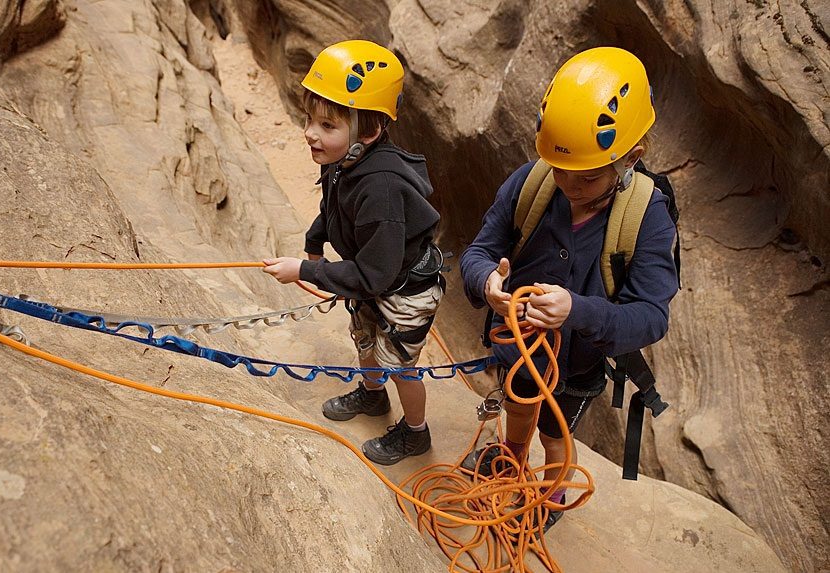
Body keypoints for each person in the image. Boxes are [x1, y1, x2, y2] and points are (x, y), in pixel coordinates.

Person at [459, 47, 679, 528]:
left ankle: (552, 491)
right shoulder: (533, 184)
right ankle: (511, 462)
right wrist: (488, 283)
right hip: (517, 345)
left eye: (588, 176)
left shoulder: (649, 219)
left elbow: (651, 315)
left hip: (577, 361)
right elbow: (476, 252)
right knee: (519, 404)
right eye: (561, 170)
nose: (569, 185)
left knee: (555, 428)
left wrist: (576, 311)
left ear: (630, 159)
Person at [263, 40, 443, 465]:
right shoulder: (343, 161)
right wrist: (313, 242)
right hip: (372, 274)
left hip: (403, 289)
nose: (310, 133)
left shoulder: (381, 187)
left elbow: (376, 275)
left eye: (327, 125)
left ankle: (416, 433)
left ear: (369, 132)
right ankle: (372, 395)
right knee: (365, 340)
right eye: (310, 120)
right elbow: (332, 208)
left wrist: (306, 271)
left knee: (399, 364)